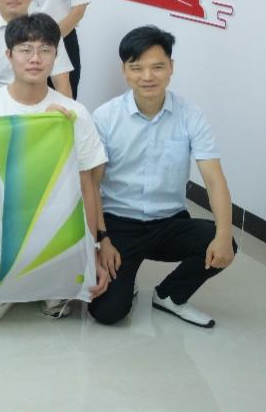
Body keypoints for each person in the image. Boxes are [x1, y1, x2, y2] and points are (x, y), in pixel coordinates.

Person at [89, 26, 236, 328]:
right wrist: (100, 241)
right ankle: (126, 280)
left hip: (169, 222)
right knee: (107, 312)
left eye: (157, 67)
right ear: (124, 71)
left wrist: (224, 234)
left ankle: (170, 295)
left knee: (224, 241)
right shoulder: (105, 117)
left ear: (171, 67)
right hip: (118, 223)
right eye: (137, 68)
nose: (147, 76)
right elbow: (91, 185)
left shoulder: (190, 115)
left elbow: (214, 180)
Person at [0, 14, 107, 322]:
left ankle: (47, 282)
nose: (35, 58)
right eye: (25, 49)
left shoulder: (74, 112)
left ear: (56, 56)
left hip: (57, 224)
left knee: (65, 298)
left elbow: (88, 185)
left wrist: (92, 250)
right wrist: (42, 126)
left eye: (45, 50)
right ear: (8, 55)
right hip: (6, 222)